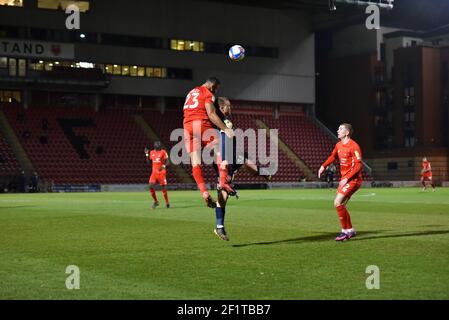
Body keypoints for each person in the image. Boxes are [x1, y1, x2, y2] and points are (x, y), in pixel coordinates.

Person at [212, 97, 271, 241]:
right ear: (221, 108)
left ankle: (262, 173)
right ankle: (219, 227)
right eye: (228, 106)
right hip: (223, 159)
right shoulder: (214, 119)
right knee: (224, 192)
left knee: (250, 164)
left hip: (235, 154)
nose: (230, 108)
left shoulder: (225, 120)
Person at [182, 77, 234, 208]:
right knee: (220, 150)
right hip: (202, 124)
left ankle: (204, 193)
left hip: (187, 126)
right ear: (212, 86)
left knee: (195, 163)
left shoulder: (191, 91)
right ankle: (223, 182)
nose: (215, 92)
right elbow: (211, 114)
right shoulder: (207, 93)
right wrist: (226, 129)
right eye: (216, 89)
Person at [318, 123, 362, 241]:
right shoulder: (338, 145)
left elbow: (358, 165)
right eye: (338, 128)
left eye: (340, 129)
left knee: (337, 202)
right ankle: (350, 230)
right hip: (345, 179)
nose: (338, 130)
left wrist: (347, 178)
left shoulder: (354, 146)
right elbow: (333, 156)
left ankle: (345, 231)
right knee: (340, 205)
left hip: (353, 180)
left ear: (347, 132)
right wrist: (323, 166)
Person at [145, 141, 170, 209]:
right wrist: (147, 154)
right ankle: (156, 202)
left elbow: (168, 162)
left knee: (163, 188)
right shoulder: (152, 152)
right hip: (154, 173)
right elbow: (148, 162)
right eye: (158, 145)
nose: (159, 146)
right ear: (155, 146)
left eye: (160, 145)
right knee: (150, 186)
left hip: (161, 172)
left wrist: (163, 166)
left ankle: (167, 202)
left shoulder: (163, 152)